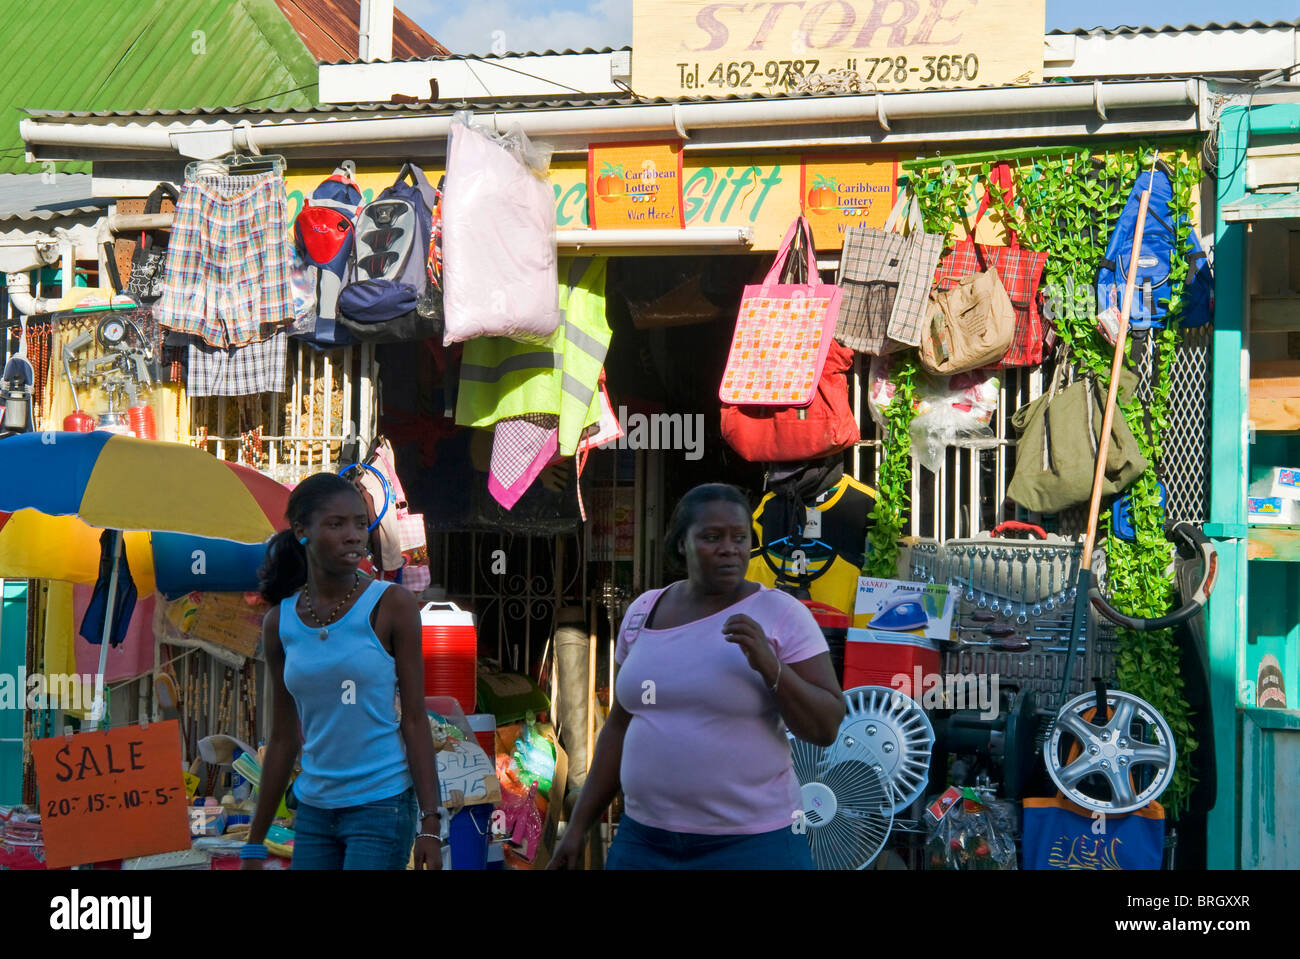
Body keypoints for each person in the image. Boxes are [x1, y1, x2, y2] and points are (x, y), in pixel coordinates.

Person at [550, 482, 845, 870]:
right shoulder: (643, 612)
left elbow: (827, 726)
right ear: (680, 544)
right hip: (644, 843)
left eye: (740, 537)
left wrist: (771, 667)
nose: (729, 548)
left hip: (754, 847)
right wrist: (577, 826)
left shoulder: (781, 613)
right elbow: (619, 728)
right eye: (711, 537)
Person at [242, 472, 442, 870]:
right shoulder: (279, 624)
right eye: (337, 524)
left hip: (381, 805)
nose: (354, 535)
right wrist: (254, 843)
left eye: (359, 523)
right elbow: (283, 741)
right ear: (302, 530)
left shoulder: (393, 605)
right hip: (314, 810)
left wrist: (431, 826)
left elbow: (416, 720)